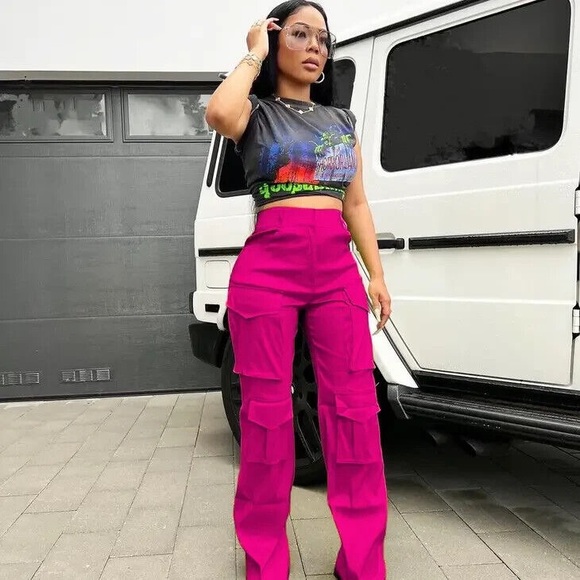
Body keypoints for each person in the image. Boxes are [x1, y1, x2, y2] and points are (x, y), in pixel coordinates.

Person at [205, 2, 391, 578]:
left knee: (355, 411)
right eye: (301, 34)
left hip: (336, 268)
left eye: (323, 39)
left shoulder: (341, 121)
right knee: (265, 416)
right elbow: (218, 112)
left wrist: (376, 273)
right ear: (276, 40)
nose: (315, 47)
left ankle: (362, 562)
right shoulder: (254, 113)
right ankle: (265, 563)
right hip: (268, 268)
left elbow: (355, 202)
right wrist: (254, 51)